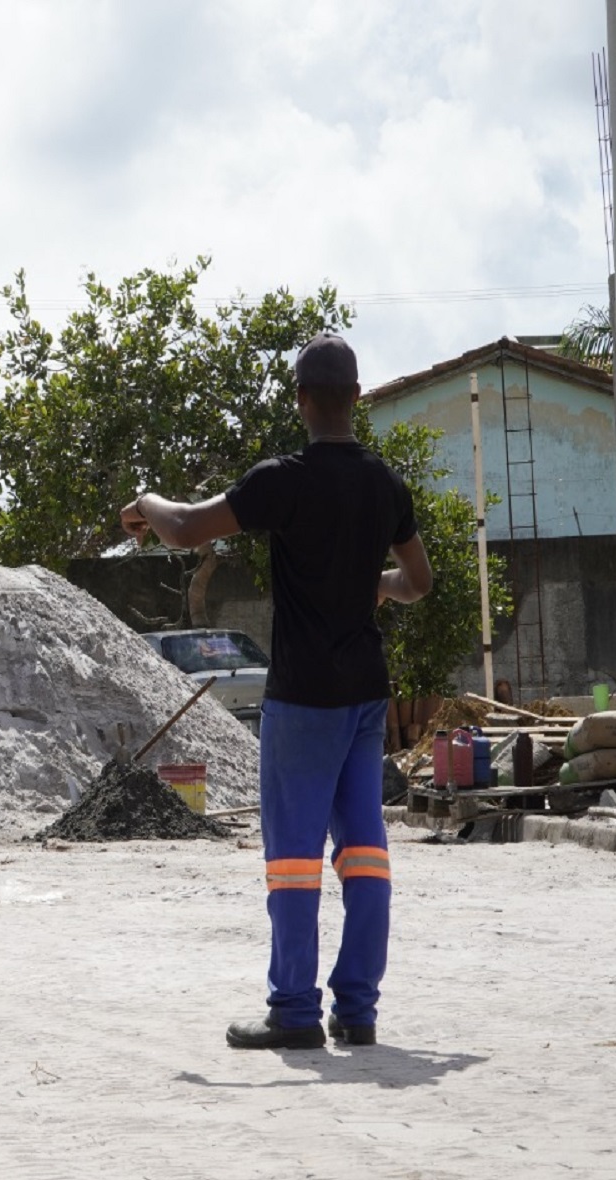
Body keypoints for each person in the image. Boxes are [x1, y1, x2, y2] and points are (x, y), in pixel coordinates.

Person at [120, 333, 433, 1050]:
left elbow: (187, 528)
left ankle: (293, 1011)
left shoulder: (282, 481)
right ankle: (357, 1010)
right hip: (364, 696)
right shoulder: (386, 486)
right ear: (358, 398)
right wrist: (372, 584)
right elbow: (417, 584)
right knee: (365, 852)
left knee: (293, 855)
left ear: (300, 400)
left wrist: (145, 498)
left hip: (303, 699)